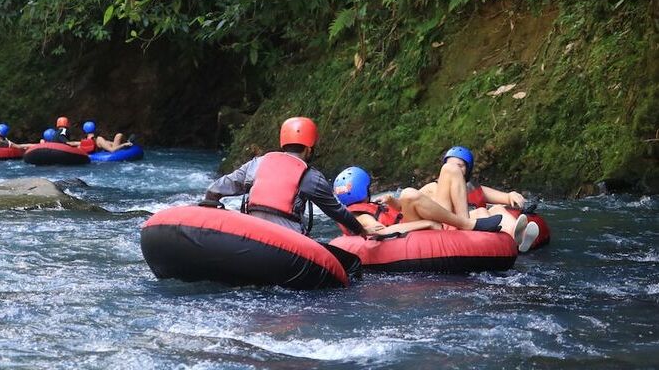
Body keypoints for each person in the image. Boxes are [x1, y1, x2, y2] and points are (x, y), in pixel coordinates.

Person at [201, 117, 385, 237]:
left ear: (283, 143)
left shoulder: (257, 163)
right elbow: (336, 211)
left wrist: (211, 203)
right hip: (287, 240)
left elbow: (219, 187)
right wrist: (361, 230)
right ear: (309, 149)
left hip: (251, 234)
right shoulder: (311, 176)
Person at [419, 146, 540, 252]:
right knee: (481, 211)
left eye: (460, 166)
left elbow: (506, 197)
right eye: (451, 165)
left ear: (468, 169)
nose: (455, 169)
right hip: (453, 224)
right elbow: (411, 203)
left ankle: (519, 234)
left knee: (497, 208)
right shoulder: (432, 187)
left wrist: (513, 195)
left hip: (475, 224)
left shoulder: (473, 188)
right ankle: (505, 237)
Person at [332, 166, 503, 236]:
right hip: (416, 230)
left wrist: (392, 201)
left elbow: (398, 211)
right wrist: (427, 223)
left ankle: (464, 222)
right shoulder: (359, 216)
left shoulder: (366, 206)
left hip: (416, 219)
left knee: (450, 169)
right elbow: (382, 232)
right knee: (409, 194)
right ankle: (467, 224)